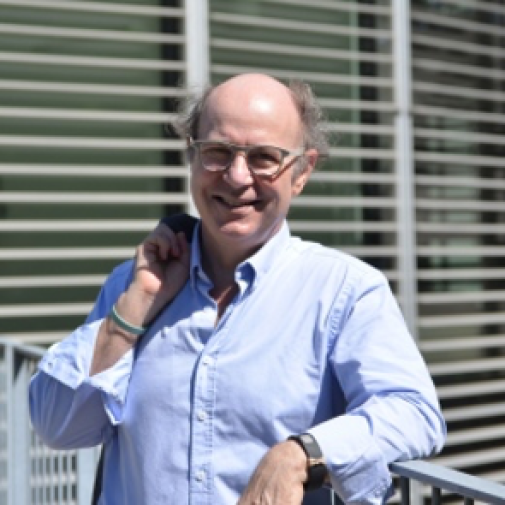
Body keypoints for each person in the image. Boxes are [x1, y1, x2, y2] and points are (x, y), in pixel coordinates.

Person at [29, 73, 446, 505]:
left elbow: (415, 413)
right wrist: (130, 314)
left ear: (301, 172)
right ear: (192, 156)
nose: (236, 175)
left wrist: (303, 453)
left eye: (265, 157)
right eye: (217, 152)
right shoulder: (133, 285)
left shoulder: (344, 290)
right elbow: (56, 426)